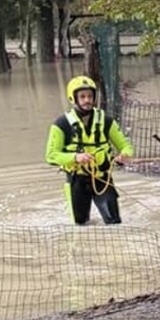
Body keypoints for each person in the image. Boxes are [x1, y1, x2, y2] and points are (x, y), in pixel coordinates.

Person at [45, 75, 134, 225]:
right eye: (82, 96)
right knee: (80, 225)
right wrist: (75, 157)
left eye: (90, 96)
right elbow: (51, 156)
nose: (87, 100)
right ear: (73, 98)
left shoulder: (106, 121)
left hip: (102, 179)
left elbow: (126, 145)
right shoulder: (61, 124)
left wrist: (125, 154)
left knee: (114, 223)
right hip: (76, 181)